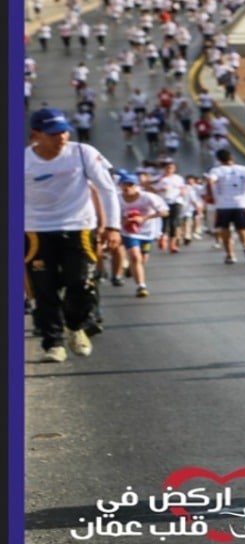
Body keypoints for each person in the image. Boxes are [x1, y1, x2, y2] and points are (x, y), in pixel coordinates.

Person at [24, 108, 122, 362]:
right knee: (44, 290)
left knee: (81, 283)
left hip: (79, 228)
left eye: (65, 131)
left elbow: (106, 188)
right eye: (53, 133)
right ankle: (53, 343)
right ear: (36, 134)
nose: (62, 137)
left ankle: (75, 326)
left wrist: (113, 226)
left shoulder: (82, 152)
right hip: (36, 231)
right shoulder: (22, 160)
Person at [115, 172, 169, 298]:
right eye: (124, 184)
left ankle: (131, 268)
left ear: (136, 186)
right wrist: (123, 221)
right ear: (120, 185)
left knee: (143, 259)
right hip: (128, 232)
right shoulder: (116, 199)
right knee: (135, 256)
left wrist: (144, 218)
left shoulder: (148, 197)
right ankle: (141, 286)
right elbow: (112, 214)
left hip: (147, 232)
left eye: (130, 185)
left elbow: (165, 212)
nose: (127, 187)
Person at [205, 147, 245, 264]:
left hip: (223, 205)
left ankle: (230, 255)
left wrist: (211, 195)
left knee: (225, 229)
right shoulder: (244, 169)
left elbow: (210, 182)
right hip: (241, 203)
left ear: (219, 159)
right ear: (232, 157)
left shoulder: (216, 170)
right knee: (242, 228)